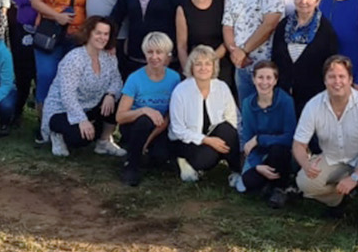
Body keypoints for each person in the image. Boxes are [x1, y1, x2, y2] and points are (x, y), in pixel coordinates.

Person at [292, 56, 358, 213]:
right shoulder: (313, 105)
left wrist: (356, 176)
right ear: (325, 81)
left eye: (342, 76)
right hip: (332, 157)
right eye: (332, 77)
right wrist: (306, 164)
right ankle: (342, 197)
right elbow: (298, 144)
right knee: (304, 182)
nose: (337, 82)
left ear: (350, 79)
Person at [42, 16, 125, 158]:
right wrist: (81, 120)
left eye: (106, 34)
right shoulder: (74, 59)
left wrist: (110, 95)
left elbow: (117, 81)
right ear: (89, 33)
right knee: (80, 139)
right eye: (98, 33)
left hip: (91, 106)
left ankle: (103, 142)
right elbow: (67, 94)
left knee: (118, 101)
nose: (102, 38)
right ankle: (57, 134)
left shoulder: (109, 57)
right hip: (62, 109)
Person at [31, 0, 88, 128]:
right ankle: (43, 123)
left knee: (72, 80)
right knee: (47, 75)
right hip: (50, 32)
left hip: (78, 35)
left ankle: (67, 122)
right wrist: (57, 16)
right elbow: (35, 1)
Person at [116, 32, 183, 185]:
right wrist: (144, 110)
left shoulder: (174, 78)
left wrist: (149, 139)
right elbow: (120, 117)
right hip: (134, 125)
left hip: (160, 126)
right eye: (150, 52)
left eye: (159, 52)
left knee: (160, 157)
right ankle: (131, 166)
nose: (154, 57)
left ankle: (143, 152)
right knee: (145, 120)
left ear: (168, 55)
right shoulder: (135, 78)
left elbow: (170, 115)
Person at [221, 0, 285, 100]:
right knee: (246, 113)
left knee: (268, 114)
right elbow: (228, 25)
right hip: (241, 66)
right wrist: (235, 52)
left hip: (266, 66)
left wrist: (244, 51)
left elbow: (269, 24)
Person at [169, 44, 241, 184]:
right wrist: (207, 140)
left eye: (208, 64)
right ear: (191, 67)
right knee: (207, 160)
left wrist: (225, 141)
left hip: (215, 135)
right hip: (187, 141)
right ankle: (185, 162)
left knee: (228, 129)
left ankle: (237, 171)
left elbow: (233, 119)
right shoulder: (181, 91)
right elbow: (178, 130)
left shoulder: (221, 87)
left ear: (214, 67)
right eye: (198, 64)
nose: (203, 68)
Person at [269, 0, 340, 114]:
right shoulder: (284, 25)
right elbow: (275, 57)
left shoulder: (325, 29)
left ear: (317, 1)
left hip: (313, 95)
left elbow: (330, 62)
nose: (303, 1)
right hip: (284, 93)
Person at [238, 60, 297, 206]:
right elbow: (247, 140)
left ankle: (280, 188)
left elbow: (290, 137)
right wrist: (257, 166)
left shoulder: (285, 101)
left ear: (275, 80)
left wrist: (260, 139)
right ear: (253, 79)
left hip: (281, 152)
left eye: (269, 78)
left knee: (278, 151)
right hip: (259, 155)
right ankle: (269, 184)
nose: (264, 82)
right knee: (248, 181)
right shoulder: (248, 104)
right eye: (260, 77)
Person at [176, 0, 233, 91]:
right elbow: (182, 46)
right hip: (194, 65)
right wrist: (189, 72)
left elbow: (228, 38)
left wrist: (210, 60)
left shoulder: (223, 4)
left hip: (220, 62)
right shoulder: (183, 9)